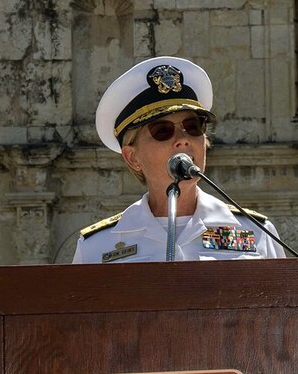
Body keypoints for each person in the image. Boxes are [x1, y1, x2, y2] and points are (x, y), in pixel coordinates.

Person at [74, 56, 285, 264]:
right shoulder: (98, 246)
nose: (183, 140)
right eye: (162, 131)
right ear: (133, 157)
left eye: (193, 127)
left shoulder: (257, 233)